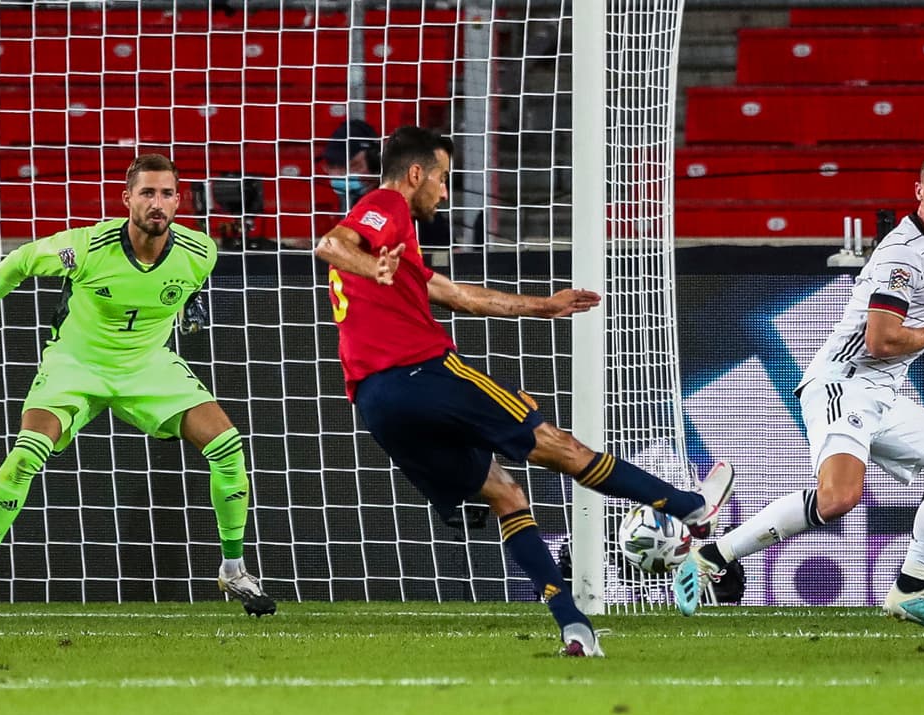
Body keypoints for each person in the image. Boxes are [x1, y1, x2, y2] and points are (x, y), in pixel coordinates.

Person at [314, 126, 735, 656]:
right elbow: (331, 243)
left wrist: (544, 306)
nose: (444, 192)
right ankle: (690, 507)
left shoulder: (404, 251)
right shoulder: (386, 204)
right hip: (423, 372)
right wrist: (370, 264)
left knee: (506, 494)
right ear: (416, 173)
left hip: (375, 403)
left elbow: (459, 296)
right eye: (442, 178)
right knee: (559, 447)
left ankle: (573, 626)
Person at [0, 154, 275, 622]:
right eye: (146, 193)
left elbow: (191, 280)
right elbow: (19, 261)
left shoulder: (201, 250)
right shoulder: (85, 247)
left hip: (148, 367)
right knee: (25, 454)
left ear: (178, 201)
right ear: (127, 199)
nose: (156, 203)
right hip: (75, 366)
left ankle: (233, 568)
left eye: (166, 193)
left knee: (228, 445)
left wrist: (191, 303)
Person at [675, 149, 924, 629]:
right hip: (843, 384)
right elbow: (880, 340)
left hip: (881, 394)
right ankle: (712, 555)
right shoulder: (904, 253)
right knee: (839, 497)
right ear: (919, 189)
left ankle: (910, 588)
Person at [320, 119, 451, 248]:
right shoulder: (357, 201)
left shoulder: (408, 202)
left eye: (354, 166)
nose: (340, 174)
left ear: (376, 162)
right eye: (332, 166)